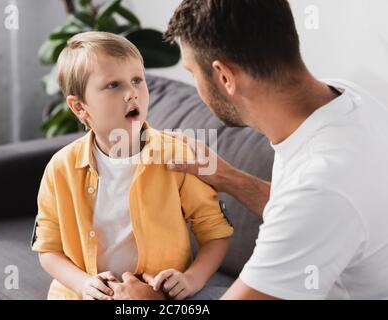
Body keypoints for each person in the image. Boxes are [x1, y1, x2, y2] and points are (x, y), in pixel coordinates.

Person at [120, 0, 388, 300]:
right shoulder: (347, 99)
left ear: (224, 77)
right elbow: (313, 209)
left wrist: (145, 303)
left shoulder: (321, 185)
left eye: (192, 72)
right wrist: (226, 177)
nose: (194, 83)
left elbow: (315, 203)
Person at [31, 31, 234, 300]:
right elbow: (48, 250)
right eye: (113, 85)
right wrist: (83, 284)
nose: (132, 93)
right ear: (79, 107)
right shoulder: (61, 168)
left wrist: (191, 279)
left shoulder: (177, 156)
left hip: (161, 296)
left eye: (137, 80)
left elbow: (215, 234)